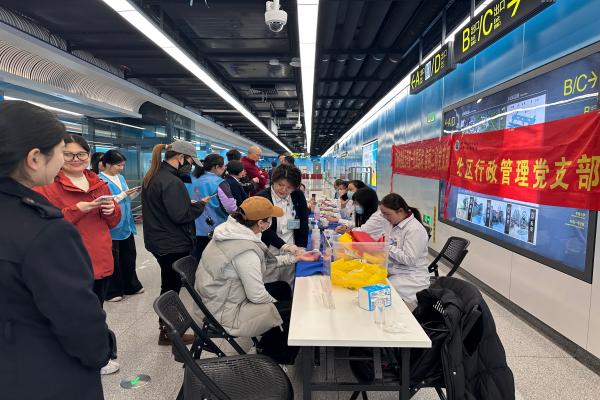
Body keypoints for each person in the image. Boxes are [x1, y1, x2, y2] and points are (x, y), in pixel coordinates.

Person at [0, 101, 116, 400]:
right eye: (61, 152)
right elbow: (77, 320)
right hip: (43, 373)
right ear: (35, 158)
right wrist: (100, 352)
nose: (67, 159)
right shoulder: (44, 229)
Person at [35, 133, 122, 374]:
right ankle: (83, 359)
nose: (76, 159)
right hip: (69, 262)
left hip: (100, 258)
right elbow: (43, 224)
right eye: (69, 154)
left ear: (89, 155)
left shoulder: (98, 183)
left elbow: (113, 222)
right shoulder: (47, 185)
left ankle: (98, 355)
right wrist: (77, 209)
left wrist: (111, 210)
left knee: (96, 311)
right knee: (74, 315)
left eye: (81, 154)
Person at [195, 197, 314, 365]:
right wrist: (277, 309)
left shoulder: (229, 232)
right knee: (292, 313)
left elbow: (266, 262)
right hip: (225, 312)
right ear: (261, 224)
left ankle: (269, 342)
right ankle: (277, 361)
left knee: (282, 288)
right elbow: (257, 296)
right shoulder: (245, 250)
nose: (271, 222)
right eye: (270, 219)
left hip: (218, 298)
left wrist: (295, 258)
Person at [141, 140, 209, 345]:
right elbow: (181, 216)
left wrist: (187, 204)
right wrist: (199, 206)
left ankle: (168, 330)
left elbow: (167, 209)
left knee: (168, 284)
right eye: (190, 161)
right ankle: (170, 332)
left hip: (159, 239)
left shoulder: (154, 176)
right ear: (181, 158)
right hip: (172, 242)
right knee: (171, 288)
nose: (191, 165)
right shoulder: (172, 181)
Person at [97, 149, 144, 302]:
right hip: (112, 225)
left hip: (126, 223)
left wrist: (134, 193)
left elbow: (125, 198)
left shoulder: (121, 178)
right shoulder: (99, 180)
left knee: (129, 255)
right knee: (113, 259)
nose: (121, 168)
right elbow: (105, 201)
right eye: (118, 165)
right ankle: (113, 290)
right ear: (107, 164)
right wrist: (124, 194)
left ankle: (131, 285)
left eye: (122, 165)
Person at [257, 164, 309, 283]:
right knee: (268, 282)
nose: (284, 190)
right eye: (280, 185)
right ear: (273, 181)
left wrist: (301, 247)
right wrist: (283, 246)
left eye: (289, 187)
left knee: (288, 282)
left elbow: (303, 222)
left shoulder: (297, 195)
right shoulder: (261, 198)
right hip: (269, 248)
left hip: (292, 247)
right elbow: (262, 229)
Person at [379, 193, 430, 310]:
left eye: (387, 214)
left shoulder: (415, 229)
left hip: (412, 278)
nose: (385, 217)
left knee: (380, 290)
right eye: (383, 214)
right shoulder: (396, 224)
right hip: (397, 271)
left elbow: (409, 259)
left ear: (400, 211)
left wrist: (386, 246)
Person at [189, 153, 237, 261]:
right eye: (223, 166)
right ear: (216, 167)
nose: (224, 169)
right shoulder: (219, 182)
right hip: (214, 229)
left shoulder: (192, 180)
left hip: (193, 228)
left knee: (197, 260)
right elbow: (231, 208)